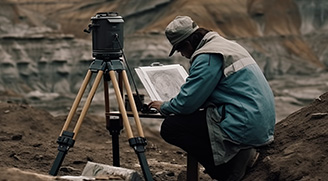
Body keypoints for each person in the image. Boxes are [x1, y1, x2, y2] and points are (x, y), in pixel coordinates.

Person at [148, 16, 276, 181]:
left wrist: (164, 106)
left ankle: (227, 170)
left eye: (180, 50)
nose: (183, 55)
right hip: (260, 122)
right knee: (196, 122)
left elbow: (187, 104)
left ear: (187, 45)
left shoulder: (207, 56)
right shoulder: (225, 45)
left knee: (172, 128)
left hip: (245, 123)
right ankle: (237, 156)